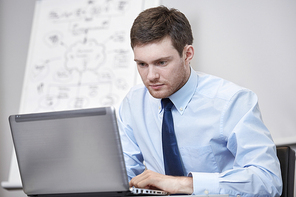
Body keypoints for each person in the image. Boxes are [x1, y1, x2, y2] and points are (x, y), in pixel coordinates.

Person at [117, 5, 282, 197]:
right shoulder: (134, 102)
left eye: (161, 62)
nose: (151, 76)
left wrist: (185, 184)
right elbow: (123, 174)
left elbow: (268, 181)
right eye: (142, 64)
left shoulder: (231, 101)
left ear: (187, 54)